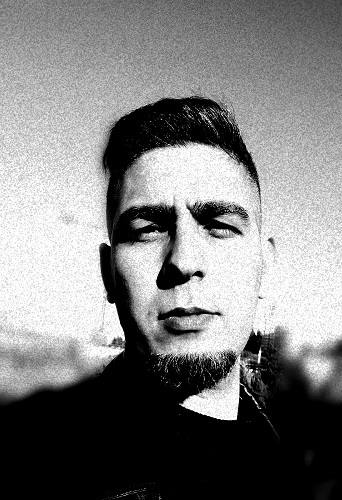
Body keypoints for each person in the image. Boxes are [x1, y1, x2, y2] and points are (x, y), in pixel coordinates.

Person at [1, 96, 309, 499]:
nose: (183, 261)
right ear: (108, 274)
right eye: (147, 229)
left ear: (264, 267)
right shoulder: (34, 467)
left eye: (219, 225)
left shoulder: (284, 461)